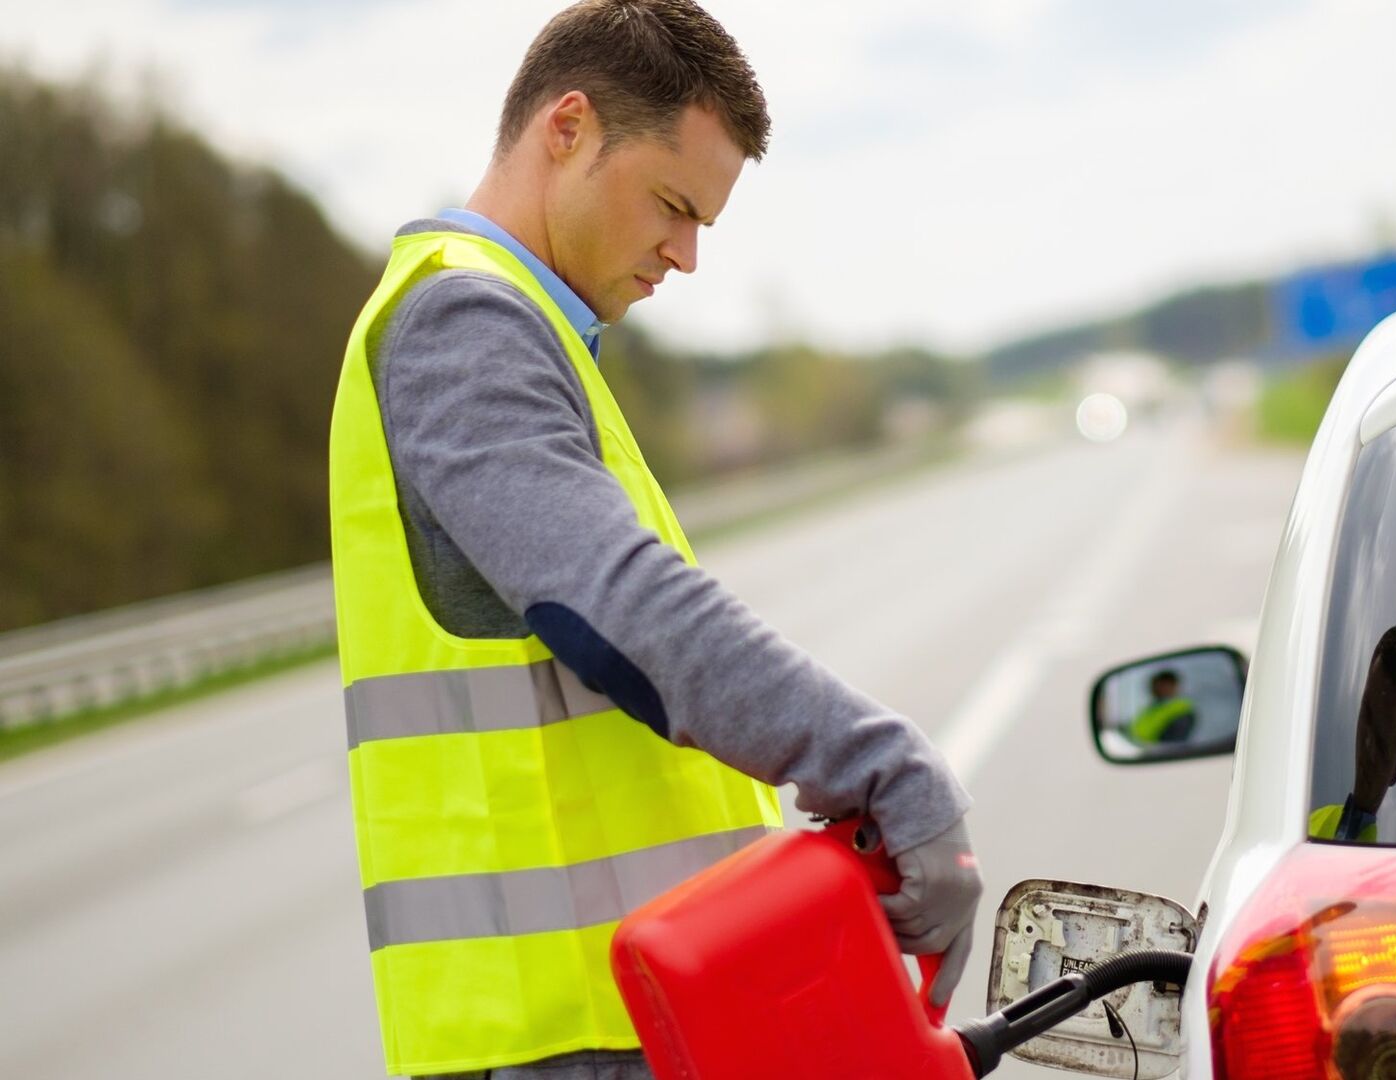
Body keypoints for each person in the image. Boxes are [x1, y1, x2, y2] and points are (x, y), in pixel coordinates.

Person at [327, 4, 982, 1077]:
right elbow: (615, 603)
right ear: (568, 127)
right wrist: (878, 759)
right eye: (674, 206)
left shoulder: (525, 329)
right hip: (564, 1029)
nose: (684, 256)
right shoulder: (465, 325)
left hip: (626, 1010)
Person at [1309, 626, 1396, 843]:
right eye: (1367, 717)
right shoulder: (1313, 822)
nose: (1368, 744)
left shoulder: (1393, 846)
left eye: (1381, 740)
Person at [1128, 669, 1198, 746]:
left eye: (1163, 685)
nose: (1156, 688)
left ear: (1174, 686)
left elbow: (1172, 745)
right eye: (1155, 685)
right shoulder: (1153, 708)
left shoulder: (1182, 711)